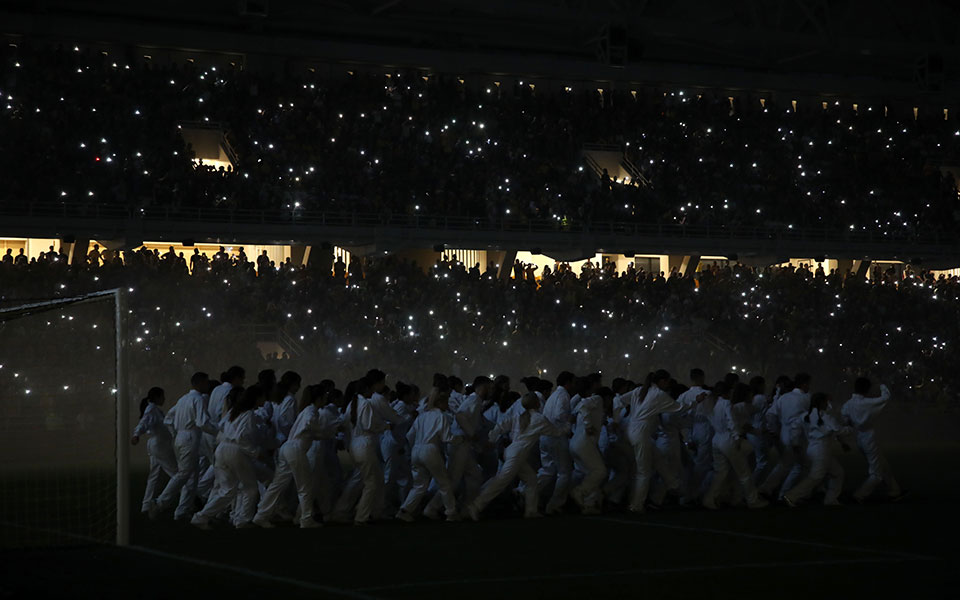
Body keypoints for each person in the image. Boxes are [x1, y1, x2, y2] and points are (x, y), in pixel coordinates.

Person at [466, 392, 571, 520]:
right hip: (518, 454)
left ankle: (531, 511)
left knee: (531, 480)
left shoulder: (519, 416)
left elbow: (501, 426)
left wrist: (492, 439)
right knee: (501, 482)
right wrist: (568, 424)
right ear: (537, 403)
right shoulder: (539, 419)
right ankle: (476, 506)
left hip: (512, 451)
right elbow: (556, 432)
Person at [254, 384, 337, 528]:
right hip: (296, 450)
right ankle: (306, 519)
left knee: (277, 485)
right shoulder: (312, 411)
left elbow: (312, 432)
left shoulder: (306, 409)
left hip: (288, 448)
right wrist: (328, 429)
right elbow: (310, 426)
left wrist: (326, 432)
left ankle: (261, 515)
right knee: (305, 486)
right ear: (319, 398)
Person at [330, 371, 404, 525]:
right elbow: (369, 425)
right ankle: (361, 515)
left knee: (367, 480)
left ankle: (367, 511)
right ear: (369, 388)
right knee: (372, 483)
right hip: (365, 445)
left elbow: (345, 423)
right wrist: (386, 426)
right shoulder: (365, 404)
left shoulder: (353, 403)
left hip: (356, 444)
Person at [191, 385, 268, 529]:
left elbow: (221, 427)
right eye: (263, 396)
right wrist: (256, 452)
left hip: (222, 449)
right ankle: (242, 520)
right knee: (250, 487)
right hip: (236, 451)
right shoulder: (249, 414)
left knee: (227, 490)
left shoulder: (235, 411)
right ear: (256, 398)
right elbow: (242, 438)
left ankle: (201, 517)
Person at [150, 372, 215, 520]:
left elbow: (168, 419)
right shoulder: (198, 399)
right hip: (190, 437)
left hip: (181, 437)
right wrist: (220, 431)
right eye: (206, 382)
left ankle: (181, 511)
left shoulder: (183, 399)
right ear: (199, 383)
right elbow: (202, 422)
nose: (208, 385)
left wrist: (175, 433)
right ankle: (160, 502)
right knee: (184, 474)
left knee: (191, 476)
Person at [622, 370, 686, 513]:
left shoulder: (639, 390)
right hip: (641, 433)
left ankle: (673, 484)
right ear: (662, 381)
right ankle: (636, 505)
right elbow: (679, 408)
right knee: (643, 472)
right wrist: (696, 401)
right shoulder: (659, 395)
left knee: (658, 458)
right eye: (667, 381)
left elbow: (620, 400)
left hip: (633, 430)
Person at [701, 383, 769, 510]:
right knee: (744, 473)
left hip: (716, 439)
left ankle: (710, 498)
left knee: (721, 472)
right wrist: (737, 437)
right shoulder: (726, 404)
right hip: (728, 439)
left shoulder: (711, 404)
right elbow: (731, 421)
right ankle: (752, 500)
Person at [397, 385, 458, 521]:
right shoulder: (440, 416)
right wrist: (459, 439)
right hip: (430, 450)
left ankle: (405, 510)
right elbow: (446, 438)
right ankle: (451, 512)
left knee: (419, 485)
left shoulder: (422, 416)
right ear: (440, 402)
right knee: (444, 483)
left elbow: (410, 435)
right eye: (446, 402)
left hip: (416, 450)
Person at [841, 378, 904, 502]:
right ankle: (859, 495)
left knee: (883, 466)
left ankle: (895, 491)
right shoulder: (867, 403)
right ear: (867, 389)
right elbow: (886, 397)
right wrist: (882, 384)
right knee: (876, 473)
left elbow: (845, 418)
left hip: (859, 438)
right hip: (869, 438)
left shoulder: (848, 404)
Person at [783, 392, 849, 507]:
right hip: (822, 450)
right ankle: (791, 496)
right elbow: (839, 430)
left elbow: (794, 428)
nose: (827, 404)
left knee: (838, 473)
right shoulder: (826, 417)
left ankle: (830, 500)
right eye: (826, 401)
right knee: (816, 476)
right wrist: (851, 427)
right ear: (821, 402)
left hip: (813, 448)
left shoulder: (805, 416)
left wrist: (795, 443)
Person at [759, 373, 812, 499]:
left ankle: (773, 490)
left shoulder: (784, 397)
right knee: (797, 465)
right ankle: (783, 493)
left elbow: (770, 414)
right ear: (804, 384)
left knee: (788, 464)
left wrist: (774, 430)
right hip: (798, 435)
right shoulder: (806, 398)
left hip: (784, 433)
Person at [131, 387, 176, 513]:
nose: (164, 399)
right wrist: (136, 434)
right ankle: (163, 502)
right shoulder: (151, 409)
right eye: (162, 396)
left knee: (154, 476)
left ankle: (146, 505)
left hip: (156, 444)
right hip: (159, 445)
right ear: (157, 397)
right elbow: (143, 423)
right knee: (177, 474)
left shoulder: (154, 409)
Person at [538, 371, 576, 515]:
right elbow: (559, 415)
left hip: (545, 437)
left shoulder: (553, 395)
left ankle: (524, 492)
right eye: (573, 382)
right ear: (568, 382)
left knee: (548, 470)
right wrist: (569, 424)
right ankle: (555, 504)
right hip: (557, 437)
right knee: (564, 473)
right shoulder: (564, 396)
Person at [570, 387, 610, 514]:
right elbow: (582, 405)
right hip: (584, 443)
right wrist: (588, 425)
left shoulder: (597, 407)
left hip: (577, 443)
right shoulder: (598, 399)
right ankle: (580, 491)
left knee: (592, 474)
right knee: (600, 471)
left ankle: (589, 504)